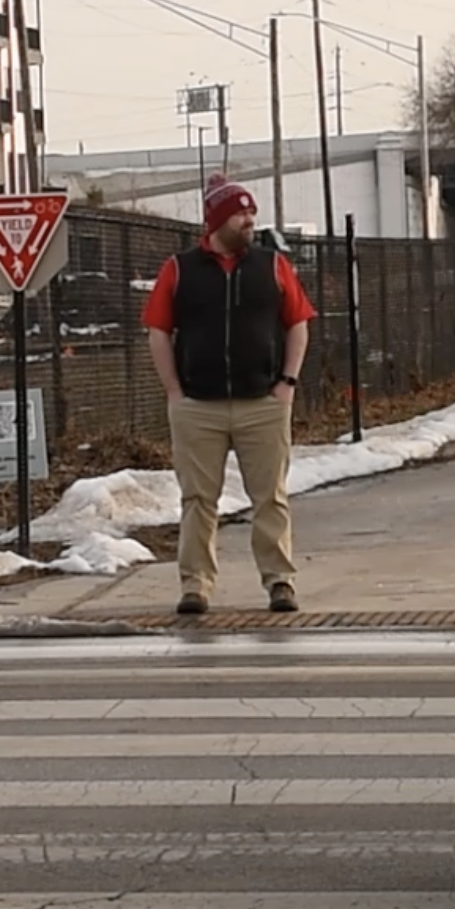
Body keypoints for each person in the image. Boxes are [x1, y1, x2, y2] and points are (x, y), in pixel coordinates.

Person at [141, 176, 316, 615]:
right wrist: (175, 392)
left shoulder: (272, 266)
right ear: (217, 220)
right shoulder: (179, 270)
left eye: (251, 212)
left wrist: (287, 384)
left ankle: (280, 581)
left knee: (270, 496)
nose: (250, 220)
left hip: (264, 403)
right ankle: (195, 586)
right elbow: (158, 331)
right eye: (241, 213)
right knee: (198, 499)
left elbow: (298, 323)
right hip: (198, 407)